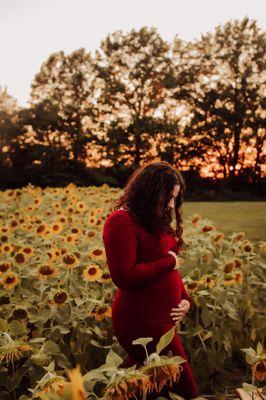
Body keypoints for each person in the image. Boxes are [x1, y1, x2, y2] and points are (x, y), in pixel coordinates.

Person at [102, 161, 199, 400]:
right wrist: (169, 262)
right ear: (150, 191)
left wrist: (185, 300)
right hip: (140, 321)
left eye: (175, 198)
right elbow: (125, 276)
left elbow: (170, 268)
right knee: (185, 390)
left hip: (160, 322)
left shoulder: (154, 220)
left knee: (140, 388)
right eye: (167, 197)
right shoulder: (120, 222)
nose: (170, 204)